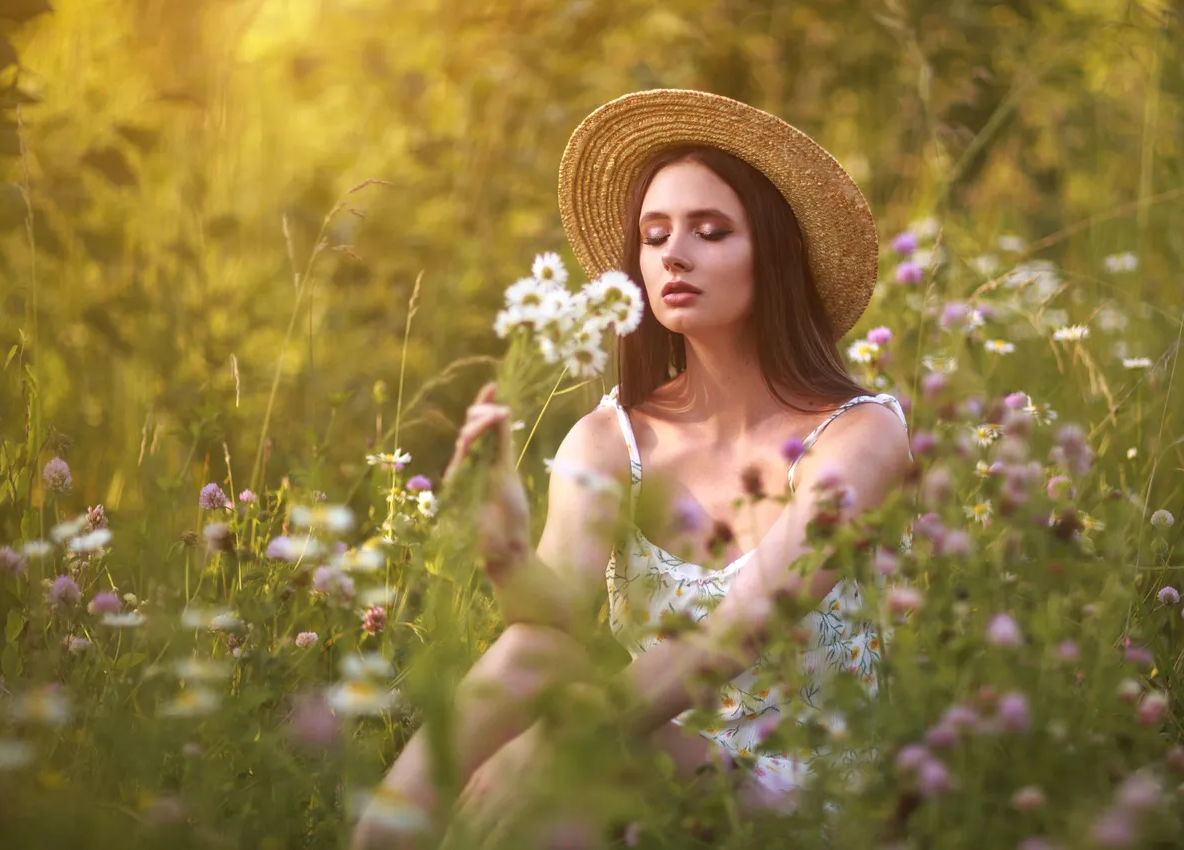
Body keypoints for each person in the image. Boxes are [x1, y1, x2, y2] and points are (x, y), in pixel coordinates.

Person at [352, 89, 912, 848]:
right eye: (654, 236)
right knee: (531, 655)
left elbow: (746, 625)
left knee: (588, 761)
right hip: (654, 764)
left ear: (773, 256)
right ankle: (382, 842)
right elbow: (551, 621)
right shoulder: (609, 439)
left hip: (812, 795)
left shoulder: (860, 435)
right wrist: (505, 547)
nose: (673, 254)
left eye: (710, 231)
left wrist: (562, 741)